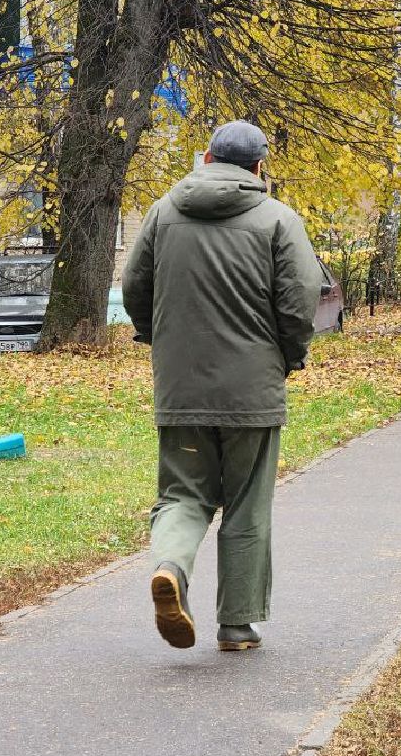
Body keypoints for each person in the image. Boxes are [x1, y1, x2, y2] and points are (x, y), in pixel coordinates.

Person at [122, 120, 322, 651]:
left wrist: (155, 338)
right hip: (252, 390)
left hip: (180, 387)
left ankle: (170, 568)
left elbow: (134, 287)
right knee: (246, 503)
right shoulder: (279, 220)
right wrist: (289, 356)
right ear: (259, 167)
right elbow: (300, 301)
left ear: (206, 158)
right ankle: (236, 625)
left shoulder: (163, 213)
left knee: (182, 494)